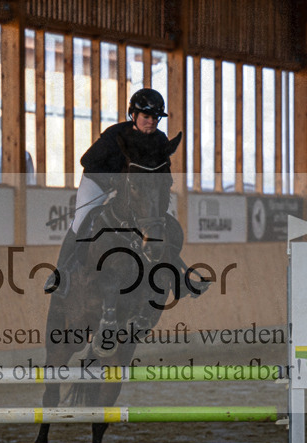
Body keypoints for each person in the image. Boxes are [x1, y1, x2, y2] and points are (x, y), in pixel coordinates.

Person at [47, 88, 205, 298]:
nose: (151, 122)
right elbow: (88, 161)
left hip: (136, 192)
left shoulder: (159, 140)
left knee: (159, 223)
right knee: (82, 220)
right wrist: (114, 179)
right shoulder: (115, 134)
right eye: (146, 116)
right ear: (134, 115)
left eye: (155, 118)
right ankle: (61, 275)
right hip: (99, 182)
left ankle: (178, 279)